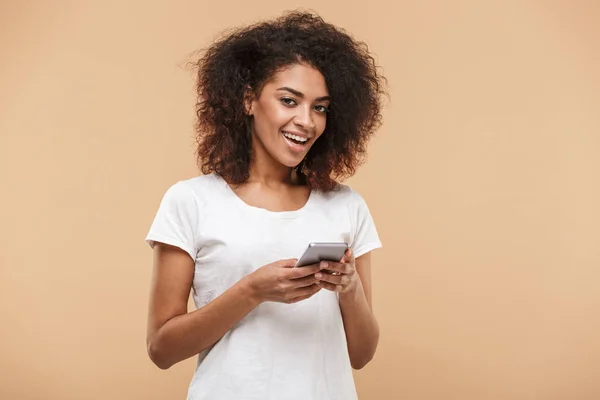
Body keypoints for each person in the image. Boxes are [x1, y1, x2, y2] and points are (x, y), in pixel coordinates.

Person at [145, 10, 386, 400]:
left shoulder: (346, 206)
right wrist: (252, 291)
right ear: (247, 100)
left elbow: (362, 354)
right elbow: (161, 348)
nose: (306, 121)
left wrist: (349, 288)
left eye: (320, 107)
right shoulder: (191, 201)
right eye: (289, 100)